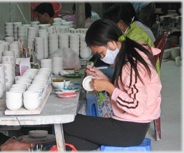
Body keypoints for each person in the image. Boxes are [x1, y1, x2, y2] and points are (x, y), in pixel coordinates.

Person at [63, 19, 162, 151]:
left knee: (68, 123)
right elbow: (127, 88)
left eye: (101, 53)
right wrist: (105, 80)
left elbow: (137, 106)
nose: (102, 57)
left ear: (111, 43)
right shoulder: (130, 51)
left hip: (130, 128)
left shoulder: (132, 65)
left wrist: (108, 87)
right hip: (130, 125)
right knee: (71, 140)